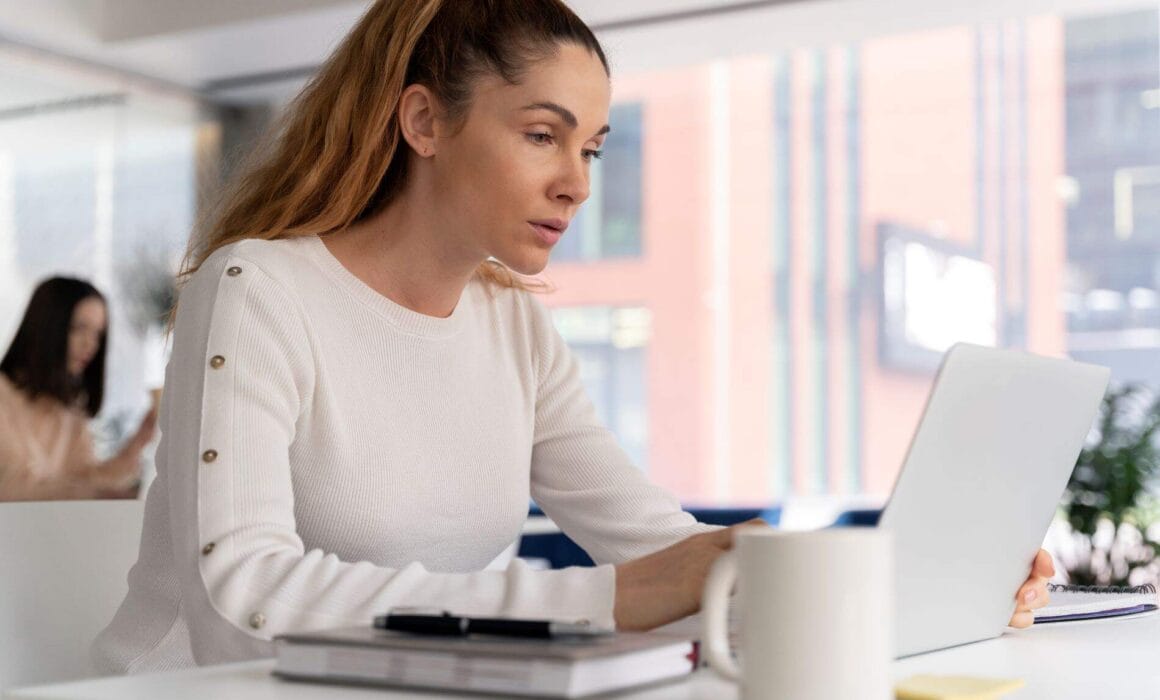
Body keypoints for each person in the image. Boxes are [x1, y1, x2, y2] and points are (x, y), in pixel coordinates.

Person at [92, 0, 1053, 673]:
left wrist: (907, 587)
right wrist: (607, 599)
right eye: (542, 136)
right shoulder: (259, 289)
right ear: (424, 121)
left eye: (590, 147)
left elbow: (665, 551)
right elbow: (243, 600)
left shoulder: (513, 325)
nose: (578, 184)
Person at [0, 277, 156, 501]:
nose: (90, 344)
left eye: (97, 334)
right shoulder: (4, 396)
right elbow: (11, 488)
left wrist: (140, 440)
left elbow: (85, 478)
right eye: (79, 328)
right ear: (46, 326)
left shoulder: (70, 409)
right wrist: (93, 493)